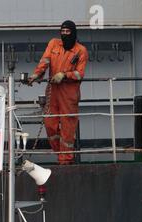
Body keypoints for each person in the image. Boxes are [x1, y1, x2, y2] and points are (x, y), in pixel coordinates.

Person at [27, 20, 88, 165]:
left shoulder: (81, 51)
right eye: (63, 31)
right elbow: (45, 61)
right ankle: (60, 153)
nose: (65, 34)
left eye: (68, 32)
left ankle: (65, 160)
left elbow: (80, 74)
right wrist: (36, 75)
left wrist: (65, 75)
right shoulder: (54, 44)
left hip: (69, 94)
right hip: (53, 91)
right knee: (50, 124)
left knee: (68, 127)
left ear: (73, 33)